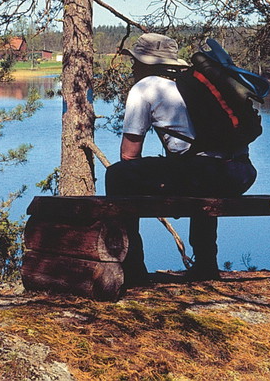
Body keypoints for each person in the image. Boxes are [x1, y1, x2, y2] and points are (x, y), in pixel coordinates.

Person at [104, 33, 257, 282]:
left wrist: (155, 183)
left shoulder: (145, 87)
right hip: (240, 173)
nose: (132, 66)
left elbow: (129, 156)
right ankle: (206, 264)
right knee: (199, 172)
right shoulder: (198, 82)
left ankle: (131, 267)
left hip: (204, 174)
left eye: (135, 61)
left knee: (118, 176)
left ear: (146, 63)